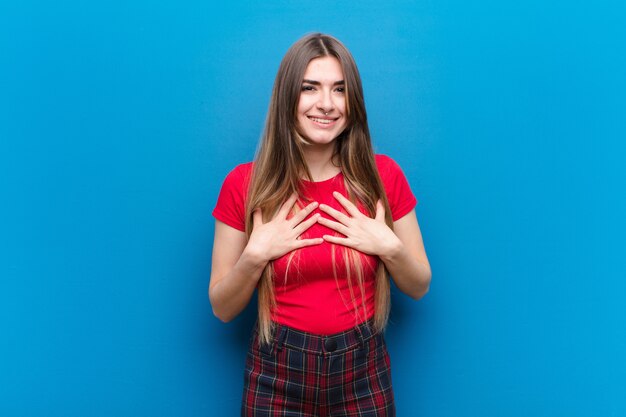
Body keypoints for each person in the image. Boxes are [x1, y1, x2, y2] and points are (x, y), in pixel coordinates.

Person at [209, 33, 431, 417]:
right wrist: (255, 256)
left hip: (363, 369)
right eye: (310, 88)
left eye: (340, 90)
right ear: (287, 97)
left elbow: (419, 285)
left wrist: (389, 247)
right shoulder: (243, 184)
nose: (326, 104)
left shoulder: (384, 176)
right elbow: (222, 309)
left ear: (353, 102)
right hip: (276, 374)